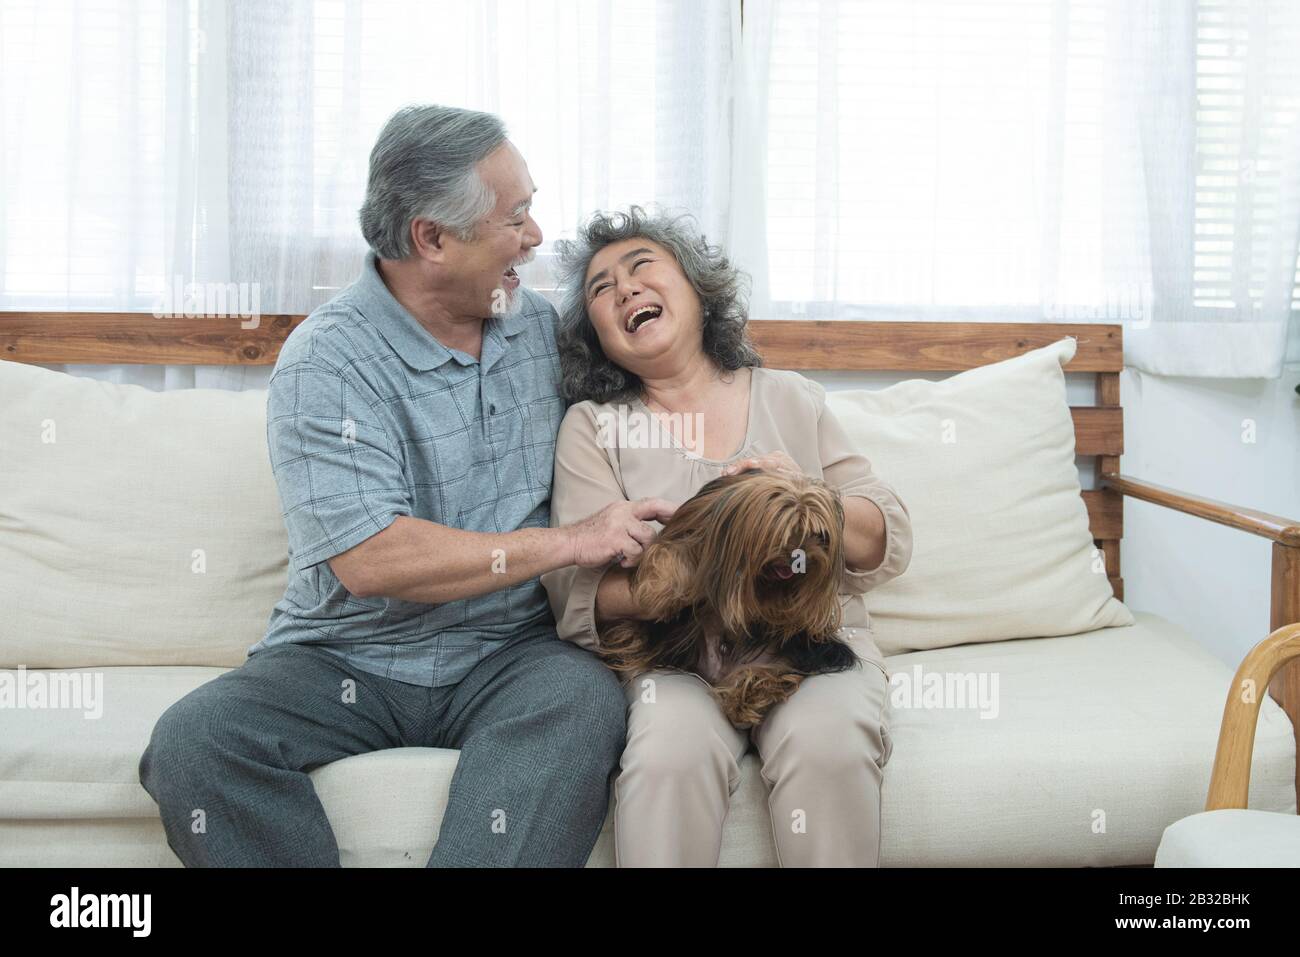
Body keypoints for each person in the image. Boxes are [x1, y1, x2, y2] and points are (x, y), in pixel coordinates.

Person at [139, 106, 674, 867]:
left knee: (583, 702)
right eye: (515, 216)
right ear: (432, 238)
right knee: (195, 741)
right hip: (341, 657)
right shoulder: (328, 361)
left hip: (509, 653)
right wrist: (568, 542)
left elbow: (669, 365)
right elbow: (371, 561)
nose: (535, 236)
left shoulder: (539, 331)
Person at [540, 206, 913, 867]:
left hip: (811, 650)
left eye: (642, 266)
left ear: (696, 287)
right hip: (677, 661)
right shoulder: (593, 427)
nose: (624, 288)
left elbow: (890, 534)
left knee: (829, 743)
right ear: (597, 335)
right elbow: (578, 595)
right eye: (602, 289)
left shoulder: (790, 397)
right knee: (665, 754)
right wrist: (703, 566)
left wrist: (805, 502)